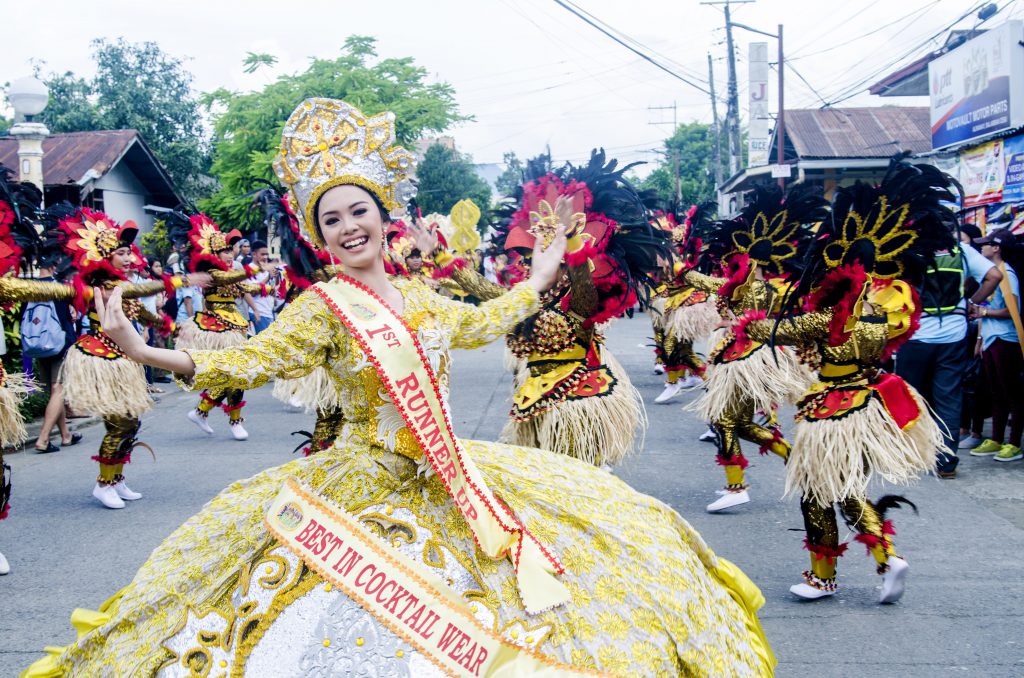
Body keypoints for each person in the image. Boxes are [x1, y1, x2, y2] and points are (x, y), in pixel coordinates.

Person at [23, 99, 773, 677]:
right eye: (332, 219)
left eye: (359, 211)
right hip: (357, 485)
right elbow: (240, 363)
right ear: (320, 237)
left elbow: (487, 322)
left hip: (451, 480)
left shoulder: (421, 299)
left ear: (384, 218)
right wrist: (139, 347)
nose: (349, 227)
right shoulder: (319, 308)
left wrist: (542, 274)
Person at [739, 158, 955, 602]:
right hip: (865, 402)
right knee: (842, 488)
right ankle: (885, 558)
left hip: (836, 411)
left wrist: (751, 326)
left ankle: (829, 575)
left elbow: (792, 330)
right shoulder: (884, 304)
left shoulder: (848, 309)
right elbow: (871, 349)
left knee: (819, 491)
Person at [431, 150, 666, 467]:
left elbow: (583, 281)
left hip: (576, 399)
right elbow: (485, 290)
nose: (531, 264)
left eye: (541, 257)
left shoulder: (578, 301)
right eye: (528, 259)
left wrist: (570, 242)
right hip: (534, 397)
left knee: (576, 480)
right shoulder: (527, 296)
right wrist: (439, 256)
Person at [48, 207, 205, 509]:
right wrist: (179, 281)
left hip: (123, 359)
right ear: (105, 257)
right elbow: (140, 291)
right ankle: (103, 483)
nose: (129, 258)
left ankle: (116, 479)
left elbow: (145, 313)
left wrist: (173, 327)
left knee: (130, 423)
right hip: (102, 359)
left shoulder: (123, 288)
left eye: (129, 252)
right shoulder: (103, 287)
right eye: (122, 253)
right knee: (120, 423)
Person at [685, 185, 825, 513]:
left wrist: (688, 275)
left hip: (750, 358)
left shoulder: (758, 286)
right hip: (749, 356)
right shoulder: (762, 282)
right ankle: (793, 461)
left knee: (726, 420)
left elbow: (725, 289)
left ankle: (738, 486)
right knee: (735, 422)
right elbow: (724, 288)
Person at [894, 214, 1002, 478]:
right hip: (954, 335)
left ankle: (910, 455)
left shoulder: (910, 251)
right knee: (949, 397)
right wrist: (971, 303)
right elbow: (994, 275)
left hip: (917, 336)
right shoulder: (962, 251)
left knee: (910, 396)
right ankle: (946, 461)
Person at [167, 212, 271, 441]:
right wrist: (254, 270)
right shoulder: (213, 273)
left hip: (235, 326)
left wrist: (268, 288)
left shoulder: (230, 271)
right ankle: (232, 420)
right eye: (225, 250)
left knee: (233, 374)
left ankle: (201, 411)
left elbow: (245, 289)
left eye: (229, 250)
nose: (229, 253)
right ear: (214, 254)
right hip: (217, 330)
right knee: (235, 373)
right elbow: (230, 282)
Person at [967, 228, 1024, 462]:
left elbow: (1013, 311)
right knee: (996, 393)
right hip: (991, 340)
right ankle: (996, 439)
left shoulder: (1007, 274)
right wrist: (980, 339)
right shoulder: (992, 273)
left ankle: (1013, 444)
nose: (981, 247)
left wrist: (984, 311)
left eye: (986, 243)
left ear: (997, 248)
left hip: (1005, 340)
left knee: (1013, 395)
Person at [30, 259, 81, 453]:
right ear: (54, 266)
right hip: (60, 343)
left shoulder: (29, 288)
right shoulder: (60, 289)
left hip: (38, 344)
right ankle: (43, 439)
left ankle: (66, 435)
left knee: (55, 392)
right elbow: (68, 317)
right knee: (59, 389)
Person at [246, 239, 279, 334]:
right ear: (254, 254)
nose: (265, 257)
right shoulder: (249, 270)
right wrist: (268, 278)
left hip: (269, 312)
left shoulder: (267, 269)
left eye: (267, 254)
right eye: (262, 254)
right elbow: (251, 292)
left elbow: (271, 290)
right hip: (259, 313)